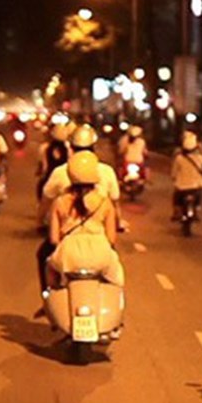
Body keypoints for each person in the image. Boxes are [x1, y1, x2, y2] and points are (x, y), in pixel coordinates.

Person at [37, 123, 121, 293]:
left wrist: (41, 220)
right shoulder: (105, 196)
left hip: (67, 252)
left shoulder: (60, 186)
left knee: (44, 257)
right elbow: (112, 237)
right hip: (100, 250)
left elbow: (53, 237)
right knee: (115, 278)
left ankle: (49, 299)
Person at [46, 151, 124, 288]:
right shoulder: (104, 202)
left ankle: (50, 303)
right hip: (101, 253)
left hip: (68, 255)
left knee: (50, 269)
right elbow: (111, 239)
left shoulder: (59, 202)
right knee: (117, 282)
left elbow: (54, 239)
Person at [170, 130, 202, 221]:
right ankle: (196, 209)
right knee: (198, 196)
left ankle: (177, 212)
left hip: (182, 186)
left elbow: (174, 171)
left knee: (176, 198)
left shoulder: (179, 158)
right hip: (195, 185)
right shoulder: (199, 158)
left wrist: (173, 177)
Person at [36, 123, 70, 201]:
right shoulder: (68, 148)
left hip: (48, 177)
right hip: (65, 177)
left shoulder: (44, 148)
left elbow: (41, 165)